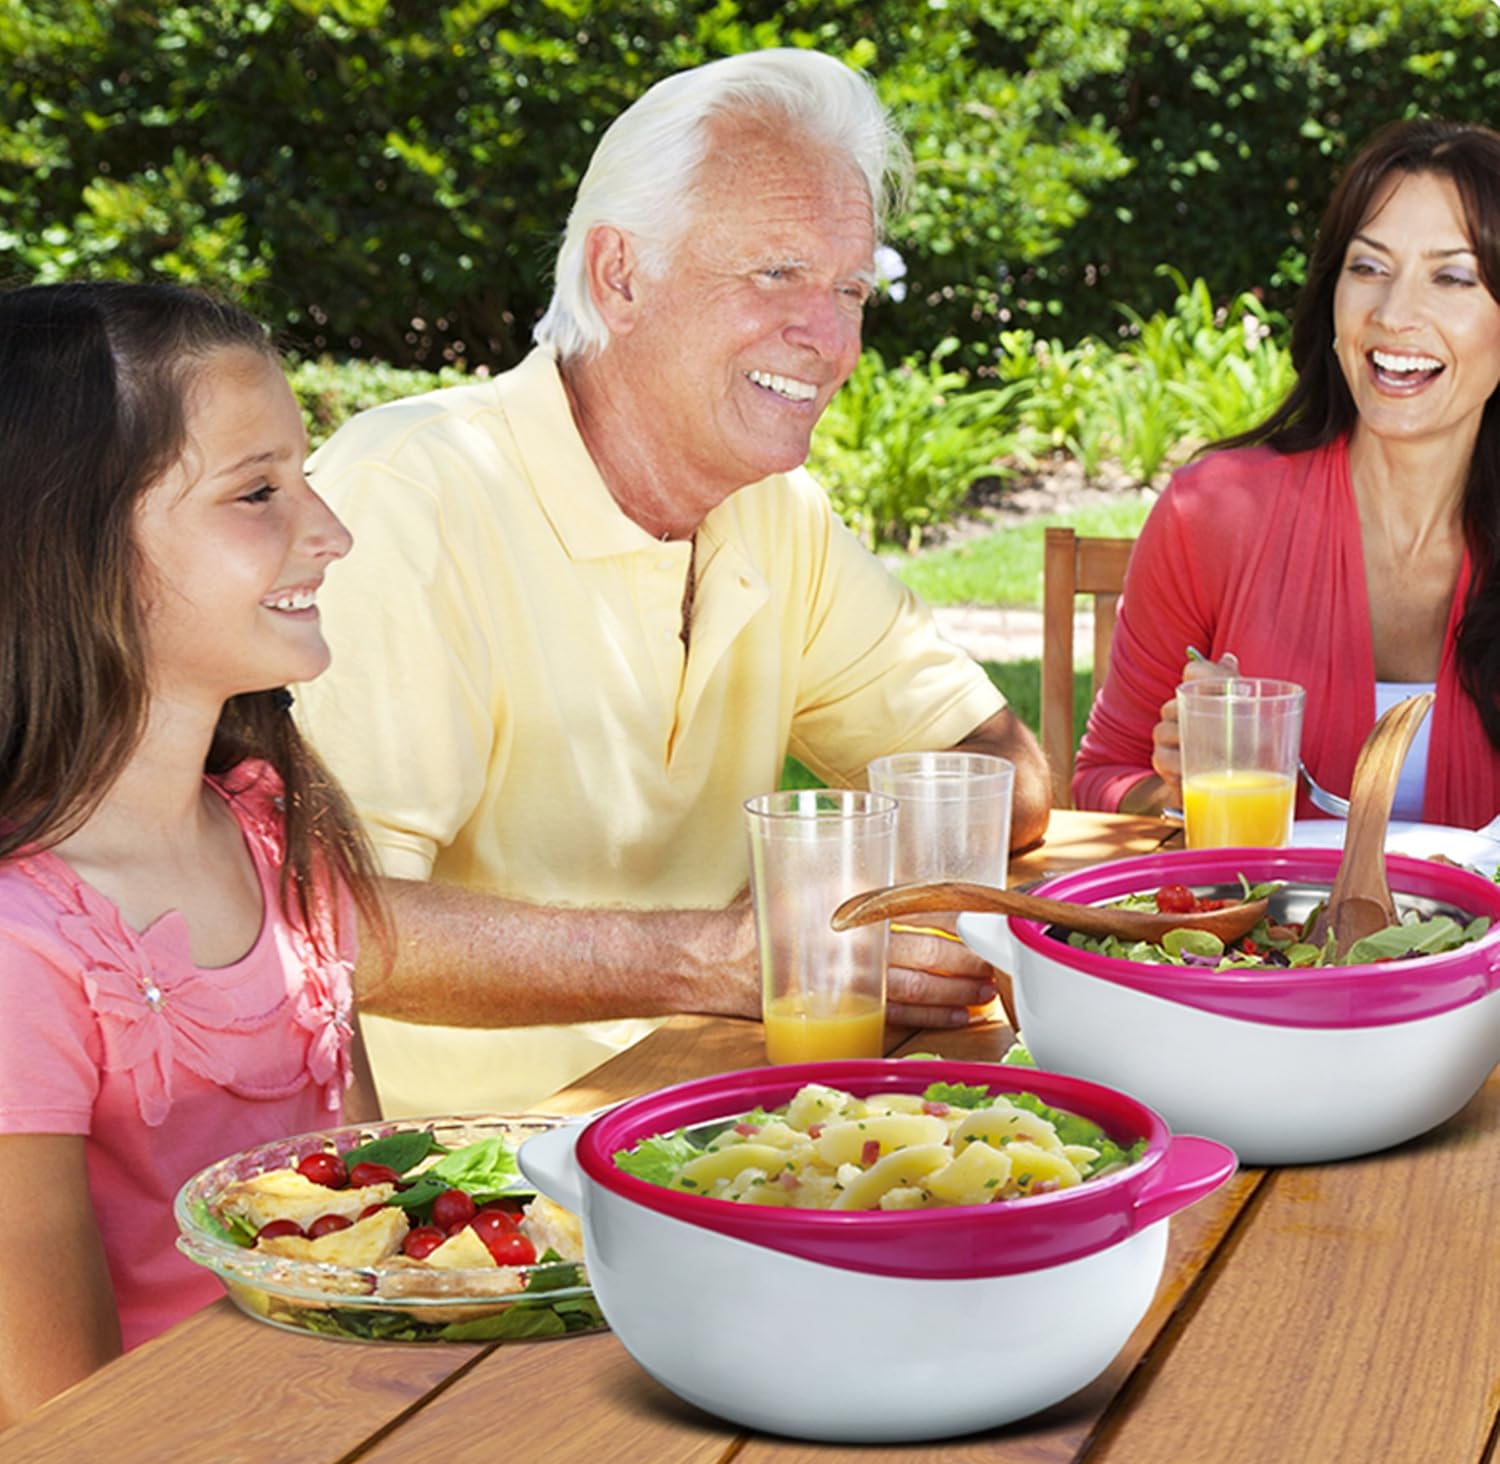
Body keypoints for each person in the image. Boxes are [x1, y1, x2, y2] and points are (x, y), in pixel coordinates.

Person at [295, 47, 1051, 1116]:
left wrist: (834, 879)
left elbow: (1002, 771)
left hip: (725, 1110)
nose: (831, 340)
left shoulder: (773, 510)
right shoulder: (410, 496)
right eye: (776, 273)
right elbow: (332, 926)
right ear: (621, 275)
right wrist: (730, 956)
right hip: (478, 1195)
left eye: (849, 288)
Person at [0, 282, 387, 1427]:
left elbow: (388, 1225)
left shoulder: (275, 834)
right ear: (68, 543)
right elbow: (56, 1428)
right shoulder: (24, 953)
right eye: (258, 492)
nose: (331, 533)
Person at [1074, 117, 1500, 828]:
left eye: (1452, 277)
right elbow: (1104, 779)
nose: (1395, 314)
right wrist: (1179, 788)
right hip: (1267, 940)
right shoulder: (1211, 515)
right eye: (1368, 268)